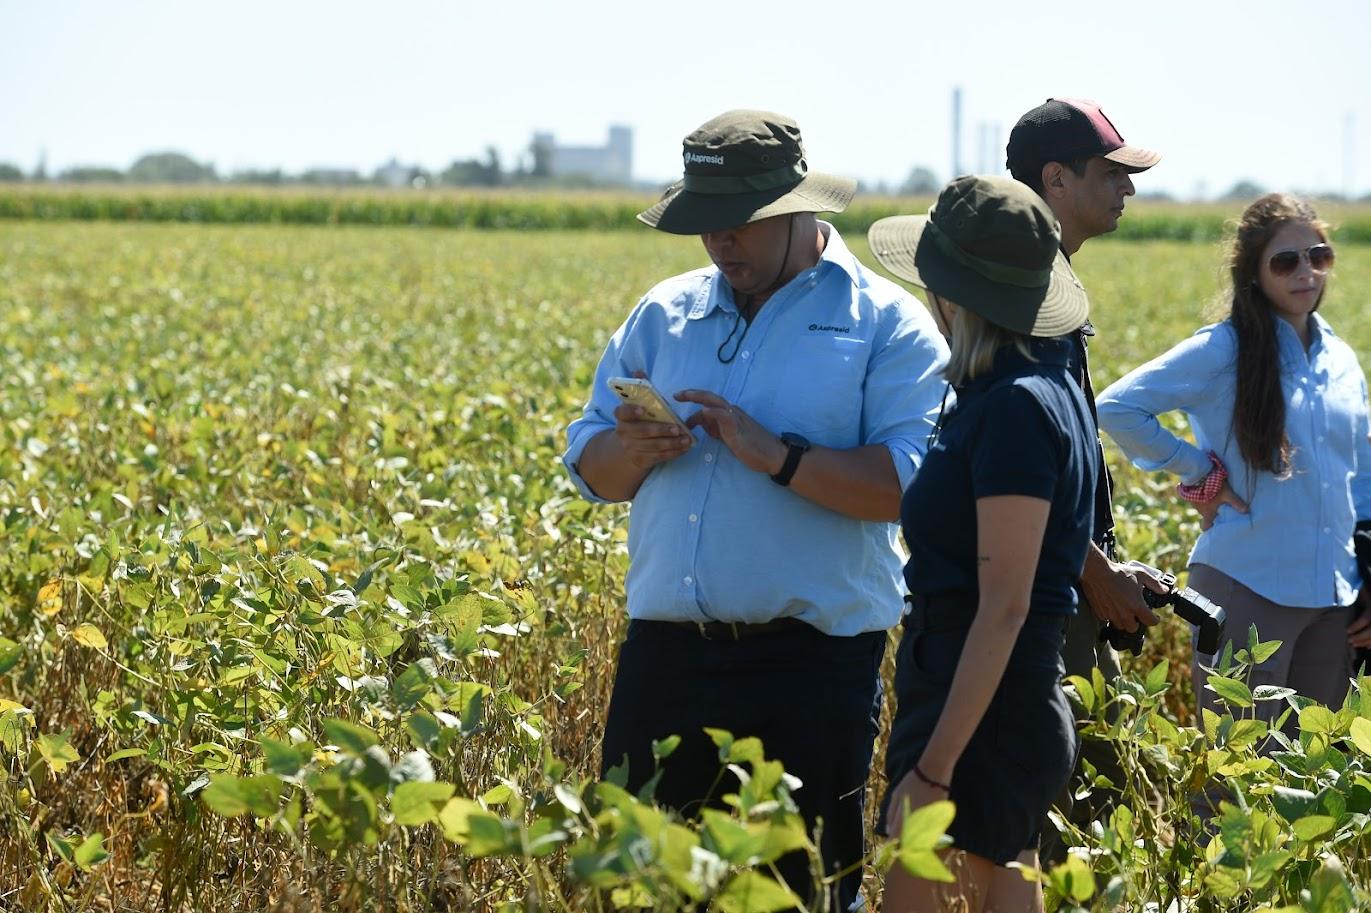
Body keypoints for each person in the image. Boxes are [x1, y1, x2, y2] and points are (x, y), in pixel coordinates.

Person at [561, 109, 949, 909]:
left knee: (798, 890)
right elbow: (590, 468)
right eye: (704, 226)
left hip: (810, 667)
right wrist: (629, 451)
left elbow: (913, 486)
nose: (719, 243)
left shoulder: (885, 323)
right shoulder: (663, 313)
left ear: (796, 209)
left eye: (737, 223)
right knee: (639, 889)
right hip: (664, 658)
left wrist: (777, 457)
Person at [866, 174, 1099, 912]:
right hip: (998, 703)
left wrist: (934, 771)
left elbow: (1002, 604)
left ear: (952, 295)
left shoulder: (1012, 408)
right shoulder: (1036, 385)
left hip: (978, 714)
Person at [1096, 193, 1371, 735]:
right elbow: (1118, 406)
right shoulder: (1225, 349)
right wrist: (1199, 470)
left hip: (1334, 601)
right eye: (1285, 260)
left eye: (1318, 256)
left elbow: (1361, 475)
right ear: (1253, 269)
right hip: (1247, 588)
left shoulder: (1340, 358)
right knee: (1229, 779)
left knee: (1312, 775)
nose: (1306, 272)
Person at [1005, 97, 1166, 855]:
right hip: (1035, 602)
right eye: (1112, 174)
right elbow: (1016, 463)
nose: (1126, 191)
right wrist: (1092, 568)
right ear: (1056, 178)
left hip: (1060, 584)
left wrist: (1101, 561)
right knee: (1054, 827)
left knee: (1086, 809)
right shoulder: (1021, 287)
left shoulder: (1046, 275)